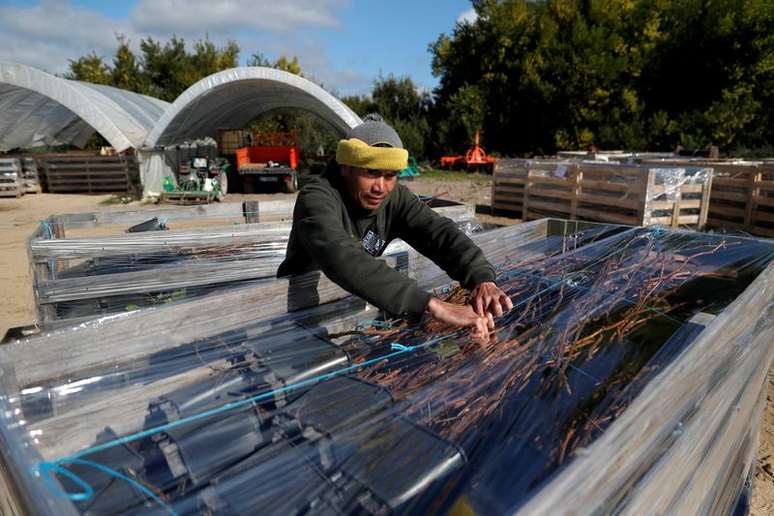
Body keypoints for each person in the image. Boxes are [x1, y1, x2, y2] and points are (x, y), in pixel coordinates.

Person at [277, 115, 512, 340]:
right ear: (345, 166)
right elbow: (340, 254)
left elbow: (438, 232)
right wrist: (430, 304)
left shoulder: (395, 198)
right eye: (371, 173)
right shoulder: (317, 198)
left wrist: (481, 278)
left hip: (355, 304)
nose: (381, 187)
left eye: (390, 175)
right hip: (301, 316)